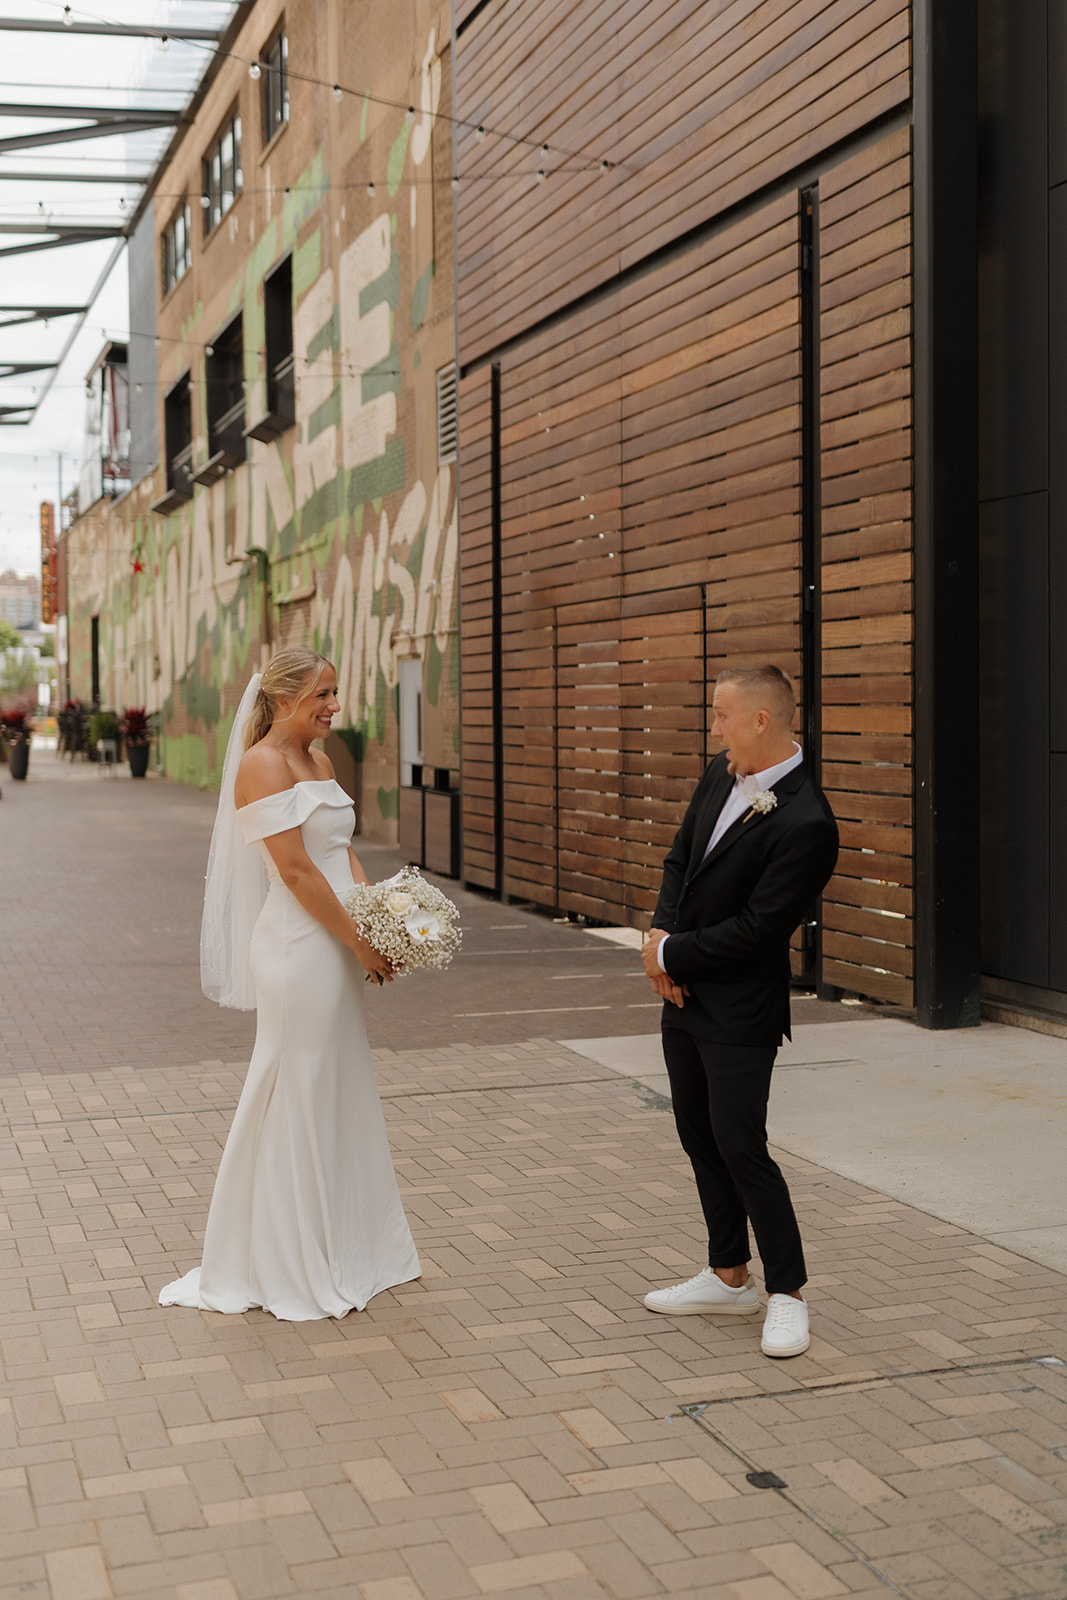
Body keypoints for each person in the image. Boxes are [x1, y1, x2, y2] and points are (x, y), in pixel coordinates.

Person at [159, 648, 420, 1321]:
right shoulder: (262, 765)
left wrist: (382, 917)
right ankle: (282, 1258)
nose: (332, 705)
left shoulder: (322, 762)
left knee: (336, 1083)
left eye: (335, 691)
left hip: (338, 938)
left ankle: (344, 1243)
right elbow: (298, 872)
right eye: (320, 695)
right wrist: (357, 937)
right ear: (280, 700)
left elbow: (341, 853)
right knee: (294, 1086)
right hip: (300, 946)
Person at [640, 664, 838, 1358]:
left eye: (721, 715)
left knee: (741, 1145)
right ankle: (727, 1274)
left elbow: (759, 929)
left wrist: (673, 957)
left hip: (740, 1010)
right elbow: (677, 862)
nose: (712, 727)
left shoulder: (809, 821)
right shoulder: (719, 773)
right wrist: (659, 946)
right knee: (697, 1136)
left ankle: (786, 1293)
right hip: (684, 993)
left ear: (761, 720)